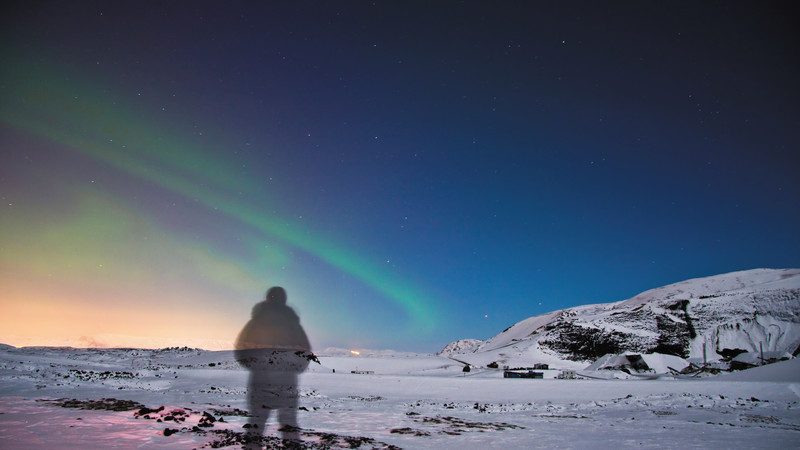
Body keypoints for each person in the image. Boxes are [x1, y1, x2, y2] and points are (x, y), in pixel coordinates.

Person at [235, 286, 312, 445]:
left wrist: (259, 366)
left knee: (256, 425)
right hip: (287, 385)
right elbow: (305, 354)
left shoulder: (254, 323)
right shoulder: (294, 325)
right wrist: (290, 367)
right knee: (289, 426)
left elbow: (241, 352)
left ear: (267, 298)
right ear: (284, 300)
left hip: (260, 383)